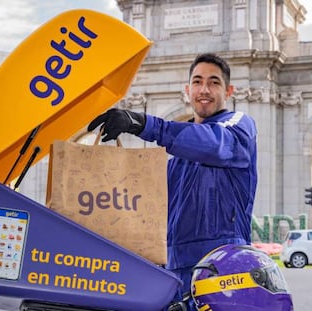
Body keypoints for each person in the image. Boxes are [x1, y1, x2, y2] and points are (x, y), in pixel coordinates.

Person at [88, 53, 257, 310]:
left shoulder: (237, 125)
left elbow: (213, 145)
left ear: (229, 91)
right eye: (198, 82)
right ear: (187, 90)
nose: (204, 90)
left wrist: (143, 123)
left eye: (214, 82)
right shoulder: (176, 158)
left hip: (222, 266)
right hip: (175, 271)